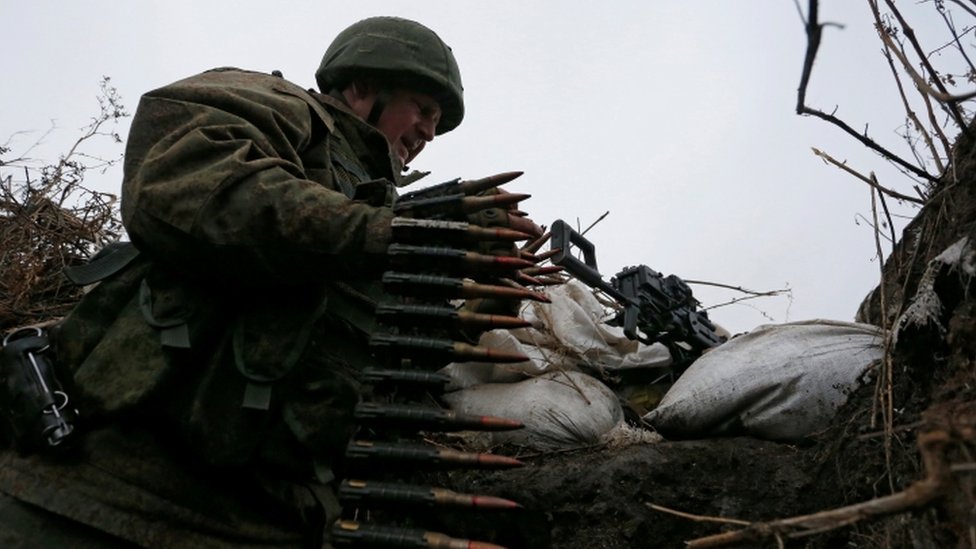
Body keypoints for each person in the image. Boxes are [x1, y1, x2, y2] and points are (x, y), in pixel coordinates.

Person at [0, 16, 542, 548]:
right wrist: (393, 233)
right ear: (362, 85)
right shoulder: (280, 106)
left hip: (275, 517)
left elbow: (380, 359)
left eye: (436, 121)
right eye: (422, 109)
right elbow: (189, 188)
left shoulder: (385, 207)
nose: (428, 132)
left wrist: (476, 280)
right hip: (103, 495)